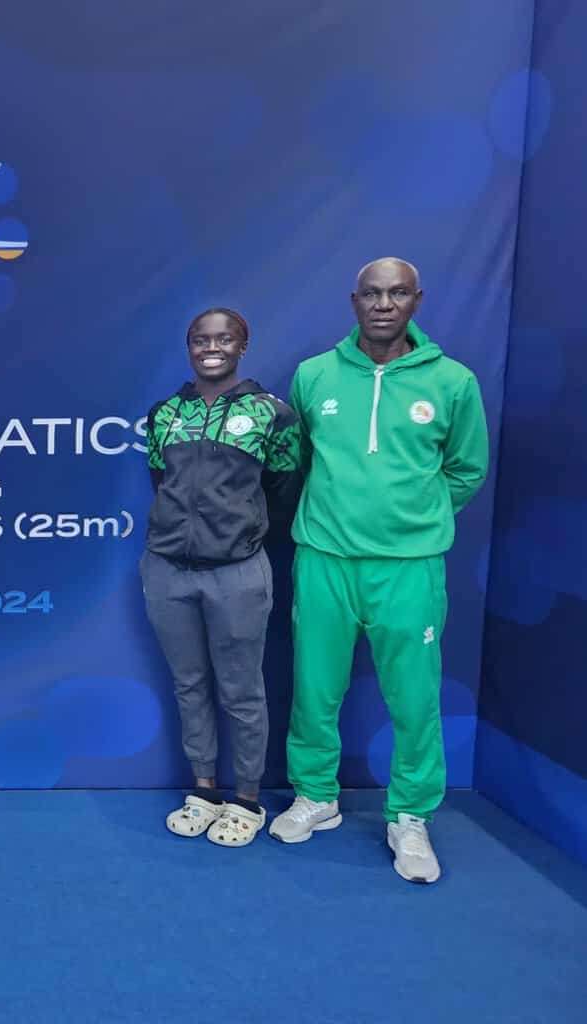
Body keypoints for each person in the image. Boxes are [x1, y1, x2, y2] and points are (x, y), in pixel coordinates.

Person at [269, 258, 488, 884]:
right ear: (354, 301)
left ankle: (410, 817)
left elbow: (467, 468)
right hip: (325, 559)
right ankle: (316, 797)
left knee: (415, 698)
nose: (384, 303)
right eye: (372, 293)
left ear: (416, 300)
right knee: (313, 687)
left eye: (397, 293)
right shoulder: (314, 375)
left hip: (409, 569)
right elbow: (299, 460)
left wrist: (413, 519)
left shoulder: (452, 382)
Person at [142, 308, 300, 846]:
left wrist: (241, 535)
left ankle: (247, 799)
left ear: (243, 345)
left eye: (224, 338)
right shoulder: (164, 413)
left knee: (241, 690)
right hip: (168, 571)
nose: (212, 347)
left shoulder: (271, 413)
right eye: (200, 339)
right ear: (188, 347)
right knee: (190, 685)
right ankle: (205, 790)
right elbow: (161, 481)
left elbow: (283, 489)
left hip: (237, 574)